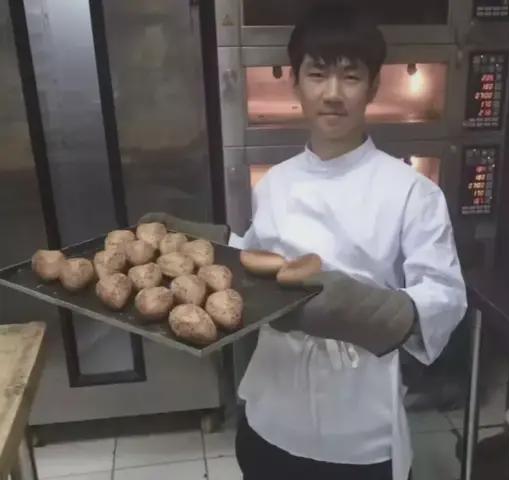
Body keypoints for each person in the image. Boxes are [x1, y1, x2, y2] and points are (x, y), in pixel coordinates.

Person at [143, 3, 466, 479]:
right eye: (317, 74)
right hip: (272, 415)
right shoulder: (276, 182)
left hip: (359, 431)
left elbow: (444, 298)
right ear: (295, 83)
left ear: (374, 86)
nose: (332, 93)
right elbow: (255, 263)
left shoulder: (412, 192)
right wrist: (212, 245)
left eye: (351, 76)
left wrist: (357, 308)